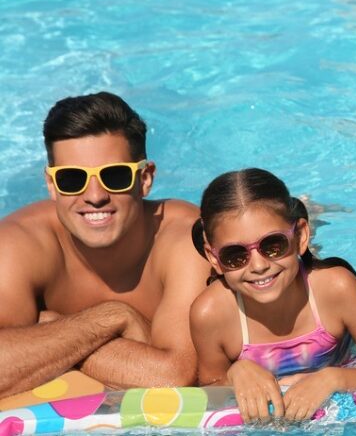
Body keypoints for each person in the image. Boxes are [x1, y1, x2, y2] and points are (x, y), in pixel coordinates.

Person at [0, 92, 209, 398]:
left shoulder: (186, 238)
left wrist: (51, 328)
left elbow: (177, 376)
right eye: (72, 179)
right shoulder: (19, 244)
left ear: (145, 179)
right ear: (51, 185)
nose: (95, 195)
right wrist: (111, 317)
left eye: (115, 177)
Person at [189, 168, 356, 423]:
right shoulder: (211, 314)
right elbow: (210, 388)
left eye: (272, 245)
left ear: (301, 235)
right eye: (235, 255)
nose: (258, 265)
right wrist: (236, 372)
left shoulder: (336, 289)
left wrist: (335, 378)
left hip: (343, 360)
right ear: (214, 258)